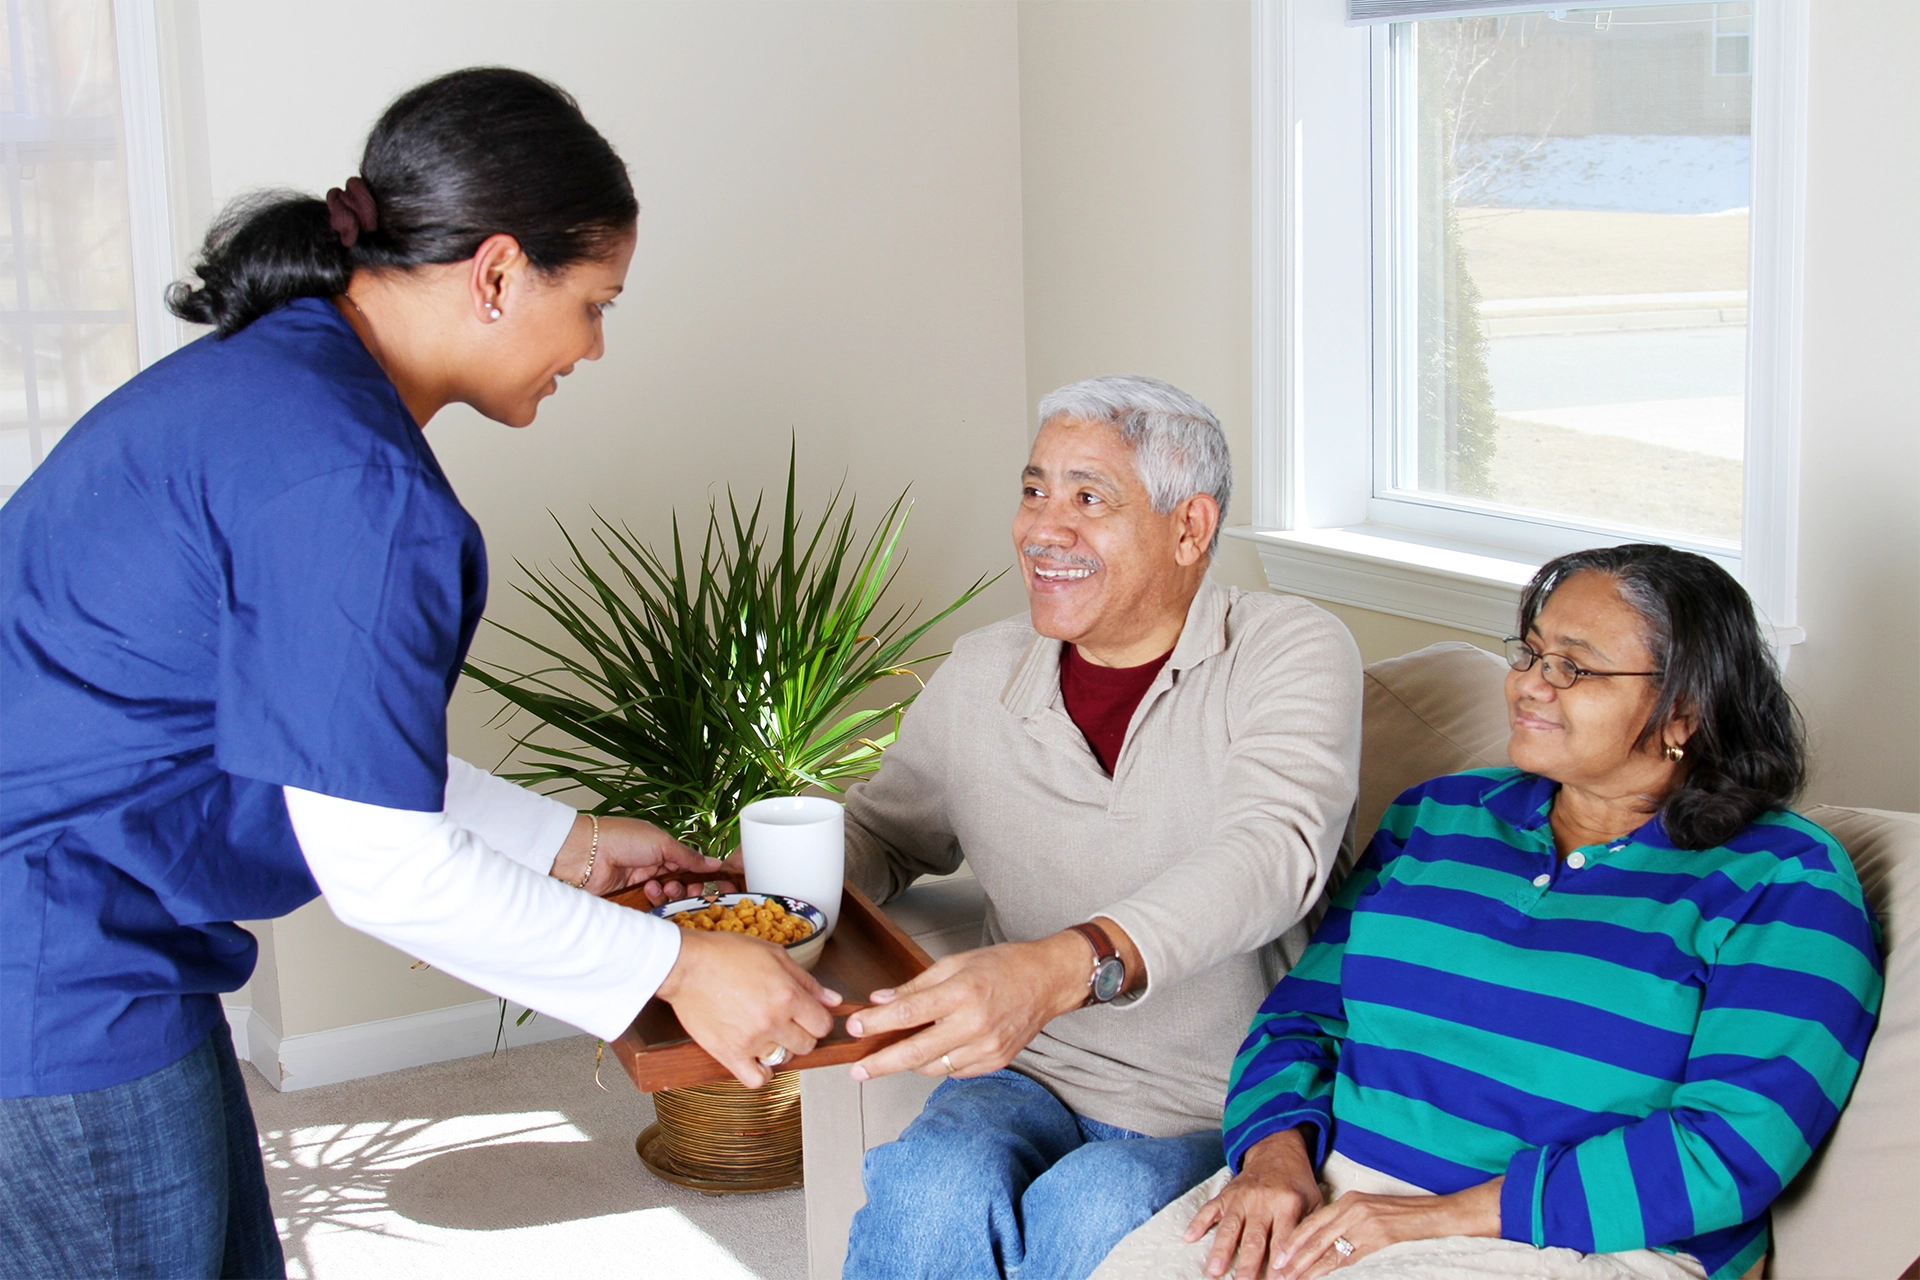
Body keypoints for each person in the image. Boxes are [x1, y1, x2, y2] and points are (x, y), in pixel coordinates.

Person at [0, 68, 837, 1278]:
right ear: (497, 274)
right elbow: (387, 873)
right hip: (55, 968)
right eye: (596, 301)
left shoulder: (281, 380)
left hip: (86, 939)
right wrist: (681, 961)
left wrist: (574, 843)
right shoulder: (356, 486)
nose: (595, 345)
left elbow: (320, 748)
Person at [1092, 544, 1882, 1280]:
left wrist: (1431, 1219)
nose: (1530, 683)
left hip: (1579, 1242)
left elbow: (1727, 1150)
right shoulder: (1438, 818)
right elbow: (1302, 1020)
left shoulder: (1785, 883)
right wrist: (1271, 1159)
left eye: (1574, 667)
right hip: (1334, 1191)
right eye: (1532, 652)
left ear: (1683, 712)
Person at [830, 375, 1364, 1280]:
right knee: (926, 1187)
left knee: (1096, 1210)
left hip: (1216, 1096)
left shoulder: (1289, 648)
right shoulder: (982, 669)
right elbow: (886, 831)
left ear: (1190, 528)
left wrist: (1061, 965)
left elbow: (1273, 853)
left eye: (1089, 498)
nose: (1044, 528)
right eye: (1034, 490)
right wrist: (756, 887)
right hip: (1028, 1072)